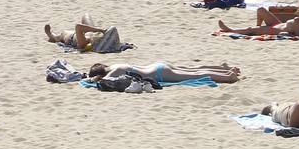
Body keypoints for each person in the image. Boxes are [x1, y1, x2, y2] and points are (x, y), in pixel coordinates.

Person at [217, 0, 299, 36]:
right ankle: (258, 27)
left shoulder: (297, 20)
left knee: (250, 29)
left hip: (276, 29)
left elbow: (298, 36)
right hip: (278, 24)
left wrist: (286, 33)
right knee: (261, 10)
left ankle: (230, 30)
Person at [86, 61, 240, 85]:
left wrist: (91, 79)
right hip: (157, 65)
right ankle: (224, 68)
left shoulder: (113, 72)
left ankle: (228, 77)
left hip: (158, 74)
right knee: (192, 69)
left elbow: (103, 81)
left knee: (195, 75)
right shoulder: (115, 64)